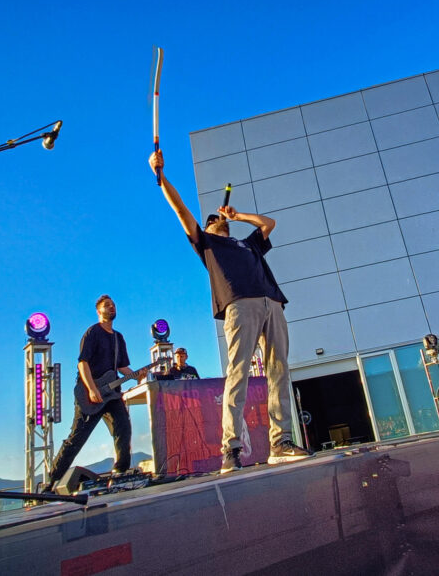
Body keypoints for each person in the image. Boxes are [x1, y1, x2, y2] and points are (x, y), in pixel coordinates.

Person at [149, 150, 311, 473]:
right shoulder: (208, 246)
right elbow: (180, 209)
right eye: (212, 220)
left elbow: (269, 224)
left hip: (271, 301)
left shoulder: (246, 244)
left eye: (218, 218)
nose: (215, 220)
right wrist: (161, 177)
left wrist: (238, 217)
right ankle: (231, 450)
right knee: (238, 373)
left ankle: (281, 442)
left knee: (280, 370)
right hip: (239, 305)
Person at [44, 295, 139, 490]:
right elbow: (82, 363)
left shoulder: (118, 337)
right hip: (89, 393)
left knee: (123, 427)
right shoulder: (92, 333)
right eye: (107, 305)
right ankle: (51, 481)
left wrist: (139, 374)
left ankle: (120, 471)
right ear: (98, 311)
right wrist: (92, 389)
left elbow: (122, 367)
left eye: (113, 304)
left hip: (112, 394)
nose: (111, 307)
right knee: (77, 438)